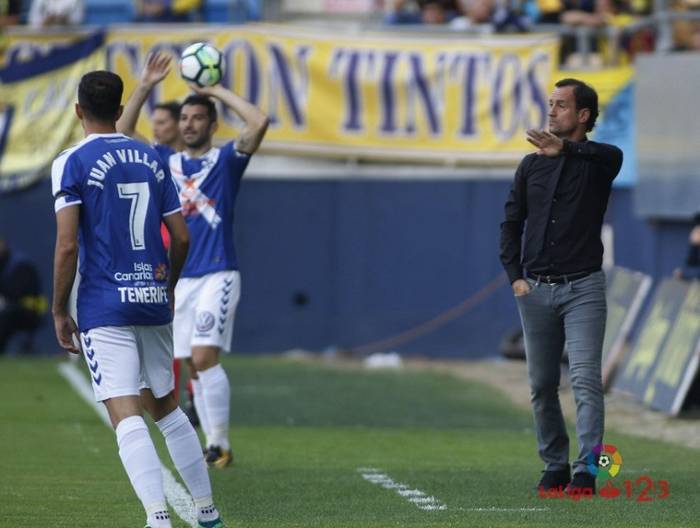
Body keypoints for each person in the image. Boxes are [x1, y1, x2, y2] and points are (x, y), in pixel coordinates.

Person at [51, 70, 225, 528]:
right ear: (120, 105)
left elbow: (67, 245)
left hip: (104, 302)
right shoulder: (150, 157)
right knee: (165, 406)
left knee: (125, 411)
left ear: (78, 111)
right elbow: (182, 237)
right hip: (152, 296)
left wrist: (57, 310)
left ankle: (157, 518)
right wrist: (167, 288)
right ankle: (207, 513)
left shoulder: (71, 161)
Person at [499, 78, 623, 496]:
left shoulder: (601, 160)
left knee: (586, 379)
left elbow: (608, 154)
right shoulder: (530, 165)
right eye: (550, 104)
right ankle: (554, 466)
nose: (551, 112)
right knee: (541, 384)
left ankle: (588, 470)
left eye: (561, 106)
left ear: (583, 116)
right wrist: (515, 276)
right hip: (535, 290)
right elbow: (511, 223)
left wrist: (566, 150)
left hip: (583, 287)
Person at [0, 239, 46, 353]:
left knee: (6, 316)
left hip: (30, 309)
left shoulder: (20, 265)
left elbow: (18, 292)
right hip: (10, 308)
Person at [674, 211, 700, 280]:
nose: (693, 233)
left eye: (697, 231)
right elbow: (690, 263)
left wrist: (684, 274)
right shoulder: (695, 249)